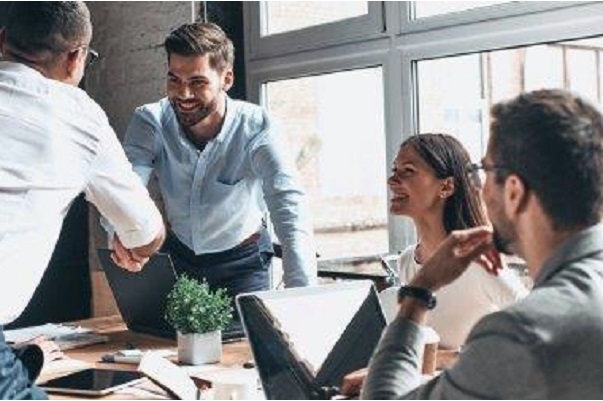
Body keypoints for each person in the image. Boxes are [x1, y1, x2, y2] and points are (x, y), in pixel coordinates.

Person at [361, 89, 603, 399]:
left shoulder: (522, 332)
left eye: (484, 172)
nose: (477, 188)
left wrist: (418, 294)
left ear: (513, 191)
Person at [0, 2, 165, 398]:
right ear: (76, 58)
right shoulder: (77, 115)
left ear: (2, 40)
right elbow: (147, 235)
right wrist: (131, 240)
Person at [113, 22, 317, 310]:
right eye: (174, 79)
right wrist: (120, 234)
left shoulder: (259, 129)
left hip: (243, 265)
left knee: (246, 349)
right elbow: (124, 187)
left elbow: (289, 208)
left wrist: (303, 299)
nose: (183, 94)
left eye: (197, 82)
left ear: (227, 78)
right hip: (178, 259)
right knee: (169, 348)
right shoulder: (151, 121)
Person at [341, 133, 527, 396]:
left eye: (408, 171)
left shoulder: (478, 259)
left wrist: (435, 357)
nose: (392, 180)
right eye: (395, 170)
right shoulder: (408, 260)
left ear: (446, 187)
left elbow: (539, 334)